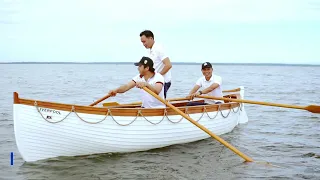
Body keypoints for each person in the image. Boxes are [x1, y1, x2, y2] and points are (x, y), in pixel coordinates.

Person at [139, 30, 172, 99]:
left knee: (158, 102)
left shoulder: (159, 49)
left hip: (163, 81)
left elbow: (168, 65)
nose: (143, 44)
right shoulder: (150, 50)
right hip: (154, 81)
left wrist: (157, 76)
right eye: (142, 42)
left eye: (144, 41)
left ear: (151, 38)